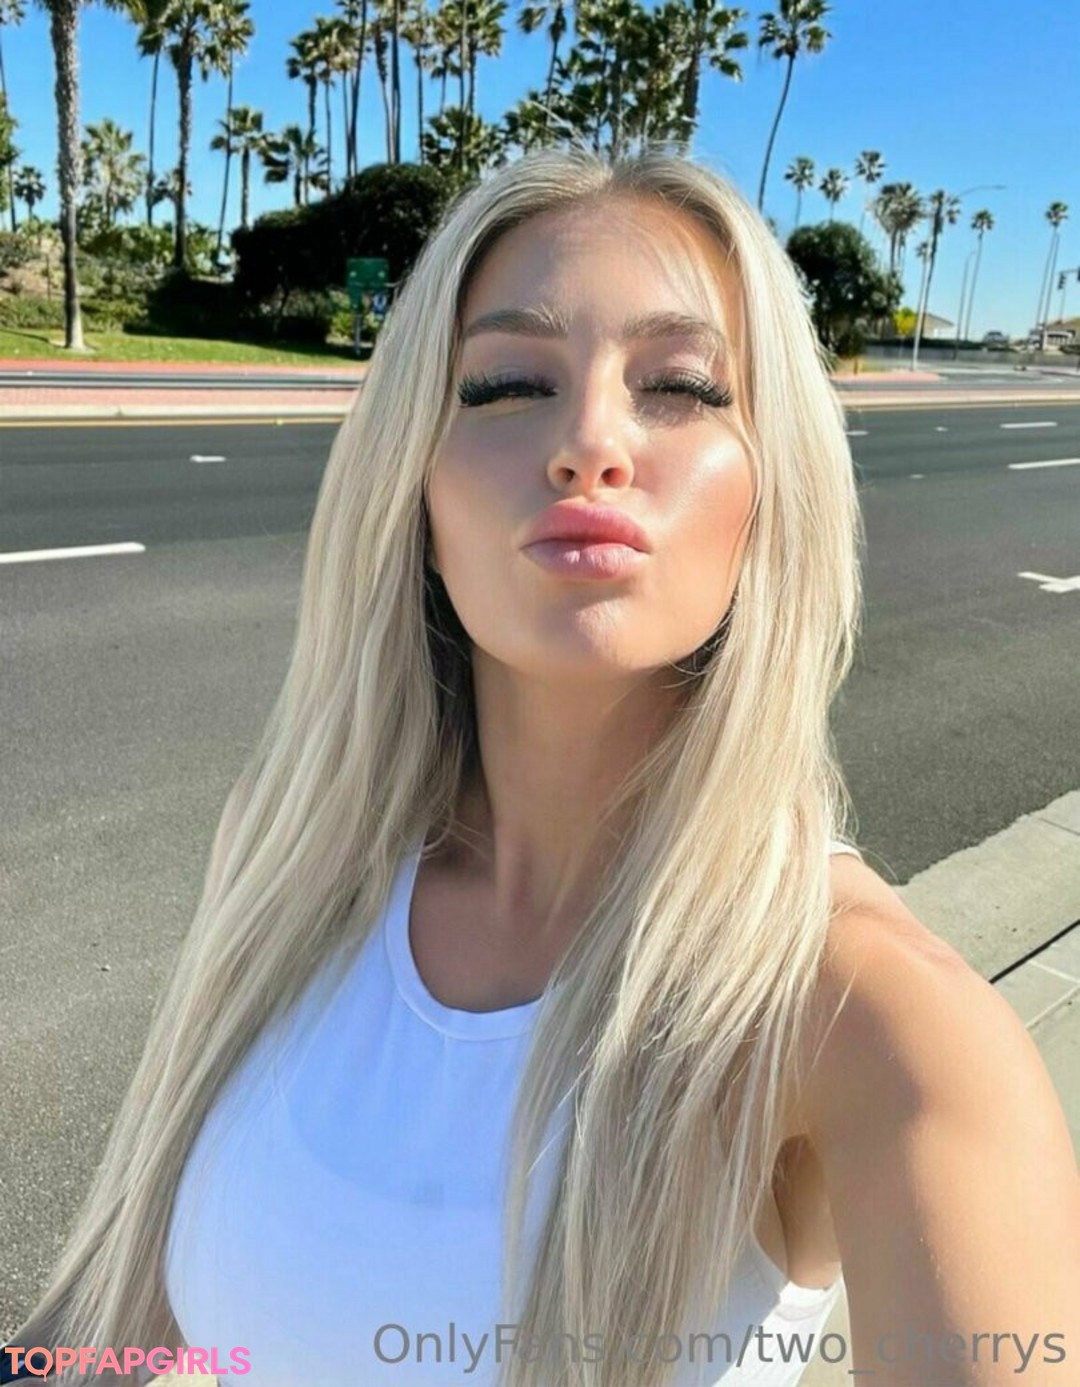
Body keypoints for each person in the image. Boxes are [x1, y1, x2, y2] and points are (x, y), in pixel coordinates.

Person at [5, 143, 1078, 1387]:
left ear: (772, 497)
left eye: (680, 386)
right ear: (415, 491)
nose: (590, 442)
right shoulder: (289, 855)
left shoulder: (877, 1018)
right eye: (509, 383)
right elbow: (129, 1323)